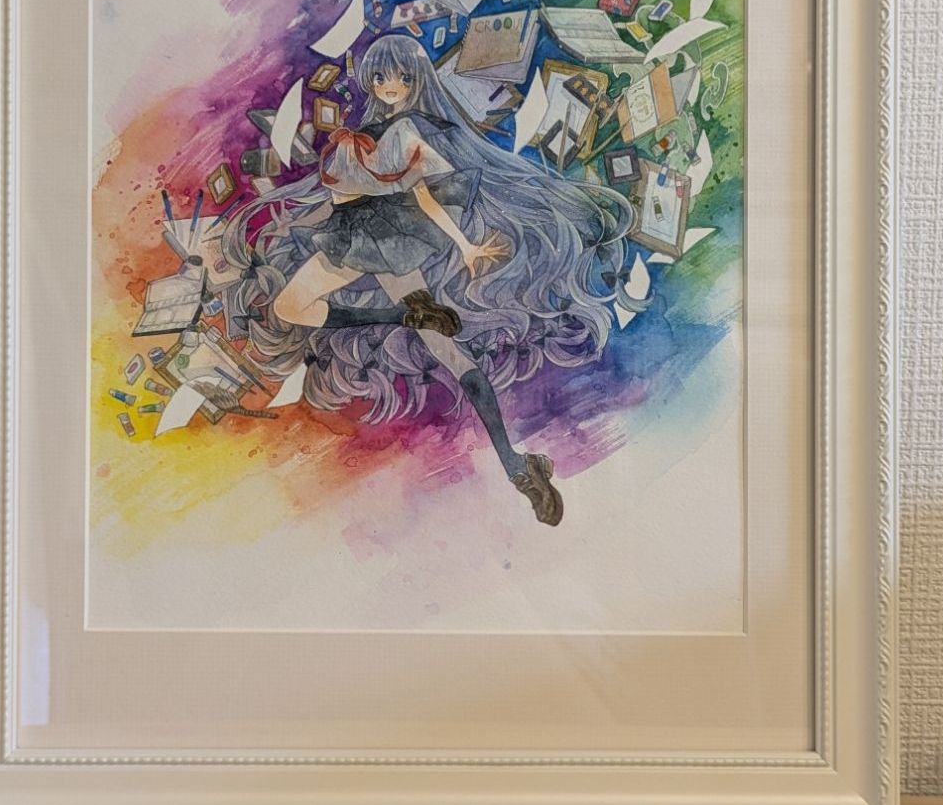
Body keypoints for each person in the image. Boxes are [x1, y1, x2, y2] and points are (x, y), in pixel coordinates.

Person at [221, 32, 638, 526]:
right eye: (381, 77)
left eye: (400, 76)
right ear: (371, 81)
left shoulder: (405, 132)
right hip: (366, 238)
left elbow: (427, 196)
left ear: (415, 79)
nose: (390, 85)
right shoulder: (376, 133)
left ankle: (514, 465)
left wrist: (465, 246)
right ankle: (414, 324)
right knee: (302, 310)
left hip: (375, 239)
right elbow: (376, 195)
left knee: (412, 342)